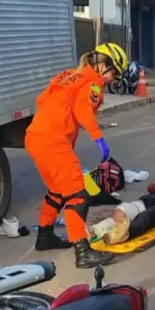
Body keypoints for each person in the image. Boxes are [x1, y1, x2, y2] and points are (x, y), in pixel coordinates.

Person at [26, 42, 129, 268]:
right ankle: (82, 251)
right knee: (78, 195)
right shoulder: (93, 83)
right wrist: (99, 139)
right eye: (113, 73)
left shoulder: (68, 75)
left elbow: (41, 100)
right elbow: (82, 110)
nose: (112, 79)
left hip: (35, 136)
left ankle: (45, 236)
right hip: (53, 142)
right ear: (102, 65)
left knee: (57, 190)